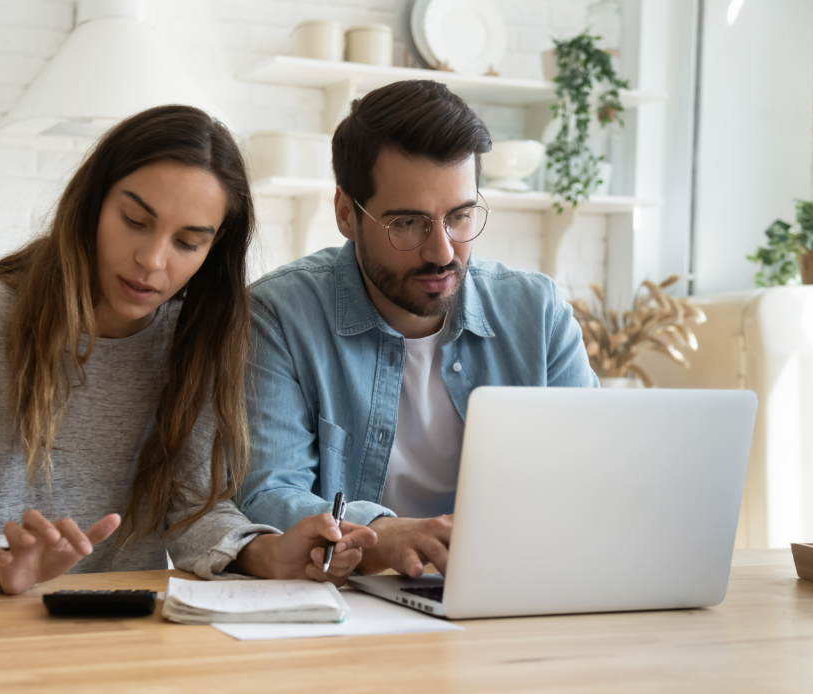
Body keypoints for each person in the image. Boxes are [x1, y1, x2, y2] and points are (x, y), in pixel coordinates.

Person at [0, 105, 375, 595]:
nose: (152, 260)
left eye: (187, 242)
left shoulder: (194, 337)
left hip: (121, 632)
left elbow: (191, 513)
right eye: (136, 220)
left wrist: (266, 552)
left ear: (214, 248)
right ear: (94, 202)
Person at [237, 81, 598, 579]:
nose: (442, 252)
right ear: (346, 212)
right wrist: (384, 534)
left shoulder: (537, 313)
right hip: (353, 600)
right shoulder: (277, 315)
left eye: (460, 216)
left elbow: (593, 476)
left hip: (514, 585)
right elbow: (266, 493)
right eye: (407, 223)